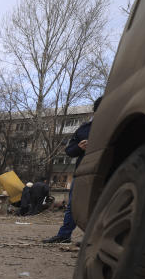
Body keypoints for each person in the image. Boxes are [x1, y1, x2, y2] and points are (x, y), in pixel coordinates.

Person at [43, 97, 101, 243]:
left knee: (101, 204)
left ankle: (95, 238)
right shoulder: (84, 129)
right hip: (82, 172)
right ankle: (64, 235)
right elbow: (69, 150)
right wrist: (79, 147)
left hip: (106, 172)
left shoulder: (117, 126)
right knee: (73, 205)